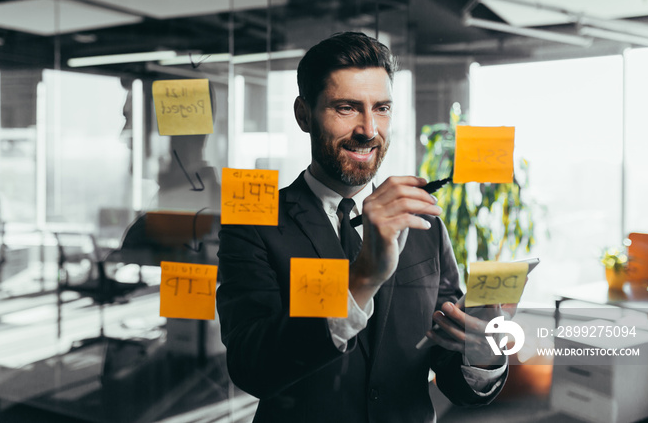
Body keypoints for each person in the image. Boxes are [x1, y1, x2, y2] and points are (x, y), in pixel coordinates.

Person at [216, 32, 507, 423]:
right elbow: (252, 368)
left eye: (382, 108)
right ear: (304, 115)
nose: (369, 129)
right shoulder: (253, 220)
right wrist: (364, 276)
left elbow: (450, 367)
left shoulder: (423, 219)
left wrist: (482, 353)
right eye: (347, 108)